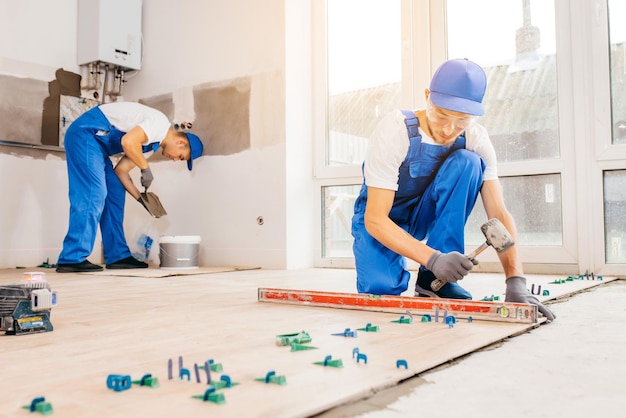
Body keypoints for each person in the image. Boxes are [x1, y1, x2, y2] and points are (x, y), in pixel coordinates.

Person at [351, 58, 555, 321]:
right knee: (381, 293)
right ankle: (430, 268)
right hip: (382, 220)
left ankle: (432, 282)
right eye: (441, 115)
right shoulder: (395, 131)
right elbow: (375, 219)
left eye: (461, 121)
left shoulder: (476, 139)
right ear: (427, 97)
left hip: (423, 213)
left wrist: (515, 279)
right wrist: (434, 259)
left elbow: (499, 215)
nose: (449, 130)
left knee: (469, 163)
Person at [56, 101, 204, 273]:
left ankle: (118, 255)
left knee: (115, 191)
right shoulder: (160, 124)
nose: (175, 159)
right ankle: (72, 257)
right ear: (180, 143)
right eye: (181, 157)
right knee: (93, 193)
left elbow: (121, 171)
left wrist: (141, 199)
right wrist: (145, 168)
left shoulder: (150, 146)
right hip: (85, 135)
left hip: (98, 146)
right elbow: (128, 141)